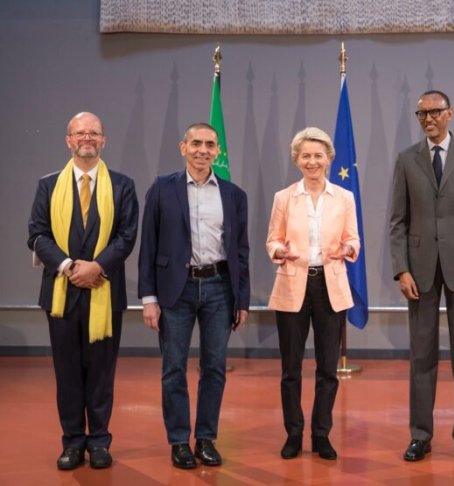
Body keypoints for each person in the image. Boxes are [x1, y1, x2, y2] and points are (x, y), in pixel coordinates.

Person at [389, 90, 454, 463]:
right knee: (422, 357)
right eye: (422, 114)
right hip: (419, 271)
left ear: (450, 114)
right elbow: (397, 222)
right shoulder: (406, 159)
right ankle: (420, 435)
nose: (429, 119)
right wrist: (401, 269)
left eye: (435, 112)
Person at [27, 112, 139, 470]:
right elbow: (37, 234)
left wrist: (97, 266)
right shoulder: (48, 185)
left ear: (103, 140)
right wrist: (69, 267)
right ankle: (73, 442)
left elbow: (126, 236)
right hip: (61, 293)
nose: (87, 138)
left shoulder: (123, 185)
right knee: (68, 373)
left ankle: (100, 441)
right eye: (80, 133)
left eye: (94, 133)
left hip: (106, 290)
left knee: (102, 373)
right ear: (69, 140)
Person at [138, 123, 250, 469]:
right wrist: (148, 298)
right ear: (183, 147)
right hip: (176, 290)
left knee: (214, 368)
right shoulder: (162, 188)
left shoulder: (234, 194)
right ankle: (178, 441)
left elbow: (241, 251)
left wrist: (242, 299)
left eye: (210, 145)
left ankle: (205, 439)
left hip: (220, 288)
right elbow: (148, 246)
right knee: (173, 368)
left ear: (218, 151)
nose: (203, 150)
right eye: (196, 143)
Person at [266, 127, 360, 460]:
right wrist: (279, 251)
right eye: (305, 155)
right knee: (291, 368)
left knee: (328, 368)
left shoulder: (344, 197)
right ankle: (293, 433)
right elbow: (272, 240)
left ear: (329, 158)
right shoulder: (284, 197)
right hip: (293, 283)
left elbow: (353, 239)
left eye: (318, 155)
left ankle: (322, 434)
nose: (312, 161)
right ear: (296, 159)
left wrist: (348, 248)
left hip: (330, 286)